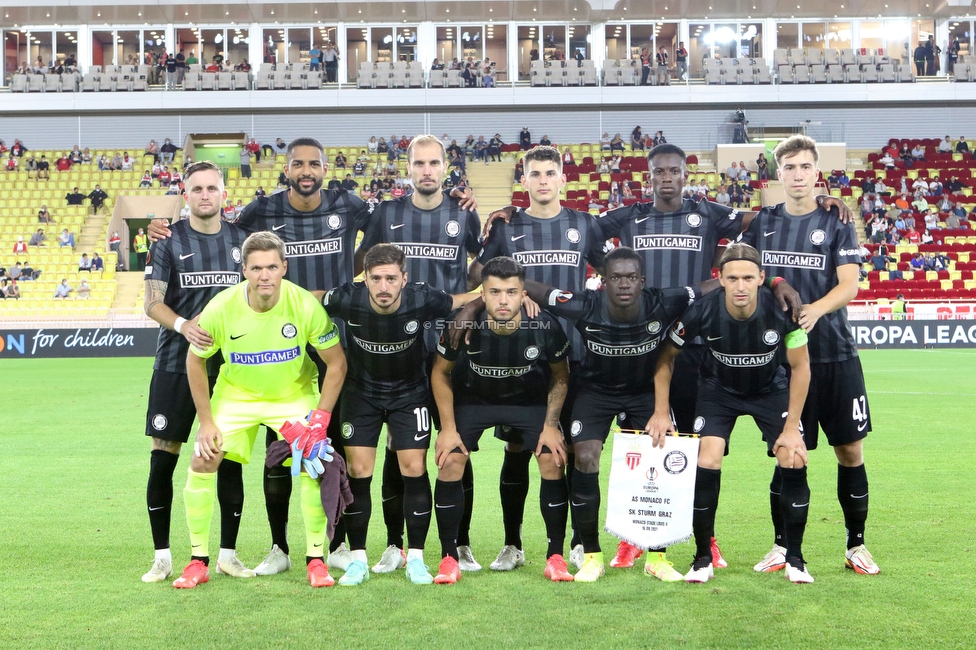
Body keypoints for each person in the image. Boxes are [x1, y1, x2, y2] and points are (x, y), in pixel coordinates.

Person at [148, 137, 475, 577]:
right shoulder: (260, 213)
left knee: (342, 447)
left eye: (314, 164)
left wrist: (459, 197)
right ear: (286, 170)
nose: (306, 170)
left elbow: (402, 222)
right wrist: (166, 222)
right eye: (297, 164)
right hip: (261, 347)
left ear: (325, 168)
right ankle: (276, 546)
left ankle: (345, 546)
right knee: (271, 452)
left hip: (340, 340)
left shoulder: (351, 206)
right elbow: (216, 224)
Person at [520, 247, 709, 582]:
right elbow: (537, 289)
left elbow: (709, 287)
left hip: (644, 394)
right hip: (596, 392)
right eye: (616, 278)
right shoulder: (583, 304)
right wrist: (516, 290)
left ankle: (657, 556)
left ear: (642, 281)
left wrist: (774, 282)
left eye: (631, 278)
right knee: (586, 456)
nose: (624, 284)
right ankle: (591, 555)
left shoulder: (662, 302)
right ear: (602, 281)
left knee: (661, 457)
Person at [172, 230, 347, 589]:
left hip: (291, 394)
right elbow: (194, 362)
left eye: (271, 267)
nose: (264, 275)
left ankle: (316, 560)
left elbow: (337, 363)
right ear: (244, 271)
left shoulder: (304, 306)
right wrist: (205, 422)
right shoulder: (220, 308)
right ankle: (198, 561)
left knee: (314, 463)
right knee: (203, 458)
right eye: (255, 268)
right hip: (237, 395)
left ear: (284, 267)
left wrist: (320, 420)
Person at [739, 134, 880, 576]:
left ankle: (856, 545)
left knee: (850, 451)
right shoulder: (761, 223)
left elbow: (850, 284)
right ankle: (782, 547)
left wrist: (815, 310)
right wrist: (773, 284)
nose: (797, 175)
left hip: (836, 355)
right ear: (777, 174)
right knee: (788, 452)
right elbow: (745, 272)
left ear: (816, 172)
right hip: (781, 363)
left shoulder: (837, 221)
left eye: (805, 167)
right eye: (789, 168)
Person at [467, 145, 606, 573]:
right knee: (517, 449)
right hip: (521, 360)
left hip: (577, 354)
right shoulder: (508, 227)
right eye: (535, 174)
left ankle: (581, 541)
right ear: (523, 181)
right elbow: (477, 274)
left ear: (563, 179)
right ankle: (513, 544)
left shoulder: (585, 224)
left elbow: (610, 270)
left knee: (576, 449)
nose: (543, 180)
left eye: (550, 173)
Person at [355, 134, 484, 574]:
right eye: (419, 163)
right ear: (407, 168)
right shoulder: (387, 213)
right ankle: (394, 543)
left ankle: (459, 543)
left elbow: (478, 265)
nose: (427, 171)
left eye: (434, 163)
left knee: (456, 442)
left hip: (450, 346)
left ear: (446, 167)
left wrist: (472, 306)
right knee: (398, 447)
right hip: (398, 348)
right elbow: (362, 265)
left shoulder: (462, 214)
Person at [649, 243, 814, 584]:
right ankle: (702, 558)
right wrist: (662, 412)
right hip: (718, 391)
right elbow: (665, 358)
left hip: (770, 389)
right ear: (720, 279)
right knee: (706, 458)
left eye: (748, 278)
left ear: (762, 279)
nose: (741, 286)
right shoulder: (702, 310)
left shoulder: (782, 312)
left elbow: (801, 368)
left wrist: (793, 428)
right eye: (733, 278)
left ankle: (795, 559)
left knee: (793, 457)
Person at [319, 244, 478, 586]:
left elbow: (458, 300)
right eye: (375, 278)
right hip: (361, 394)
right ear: (365, 280)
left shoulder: (423, 298)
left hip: (410, 394)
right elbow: (311, 298)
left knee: (414, 467)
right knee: (358, 470)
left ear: (404, 279)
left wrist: (486, 295)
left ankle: (416, 559)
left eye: (391, 278)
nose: (383, 287)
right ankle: (358, 560)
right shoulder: (347, 298)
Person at [140, 161, 250, 584]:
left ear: (224, 194)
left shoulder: (243, 240)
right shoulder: (167, 241)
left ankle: (227, 553)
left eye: (212, 188)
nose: (205, 195)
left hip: (230, 370)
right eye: (197, 189)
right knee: (163, 457)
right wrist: (184, 325)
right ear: (186, 195)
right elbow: (151, 303)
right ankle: (162, 555)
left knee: (228, 459)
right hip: (173, 364)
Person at [431, 256, 573, 584]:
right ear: (482, 294)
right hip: (475, 399)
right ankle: (450, 557)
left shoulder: (545, 326)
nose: (503, 300)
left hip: (525, 401)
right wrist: (448, 429)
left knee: (552, 459)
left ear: (525, 295)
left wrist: (551, 427)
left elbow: (561, 376)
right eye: (494, 292)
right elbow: (440, 373)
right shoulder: (461, 323)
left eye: (511, 292)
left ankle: (555, 557)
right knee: (450, 460)